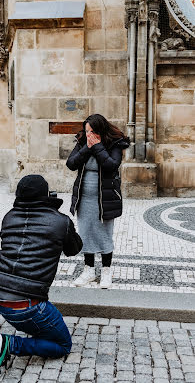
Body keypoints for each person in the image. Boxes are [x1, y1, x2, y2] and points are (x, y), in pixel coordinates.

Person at [0, 174, 82, 378]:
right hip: (23, 304)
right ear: (46, 195)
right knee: (62, 344)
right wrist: (55, 211)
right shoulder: (60, 222)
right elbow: (74, 248)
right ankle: (10, 344)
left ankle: (32, 325)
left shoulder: (9, 216)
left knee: (33, 318)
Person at [66, 114, 129, 289]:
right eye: (87, 131)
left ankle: (106, 271)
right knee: (85, 232)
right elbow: (71, 163)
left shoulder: (115, 143)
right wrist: (87, 147)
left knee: (104, 233)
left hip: (106, 197)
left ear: (101, 130)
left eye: (92, 131)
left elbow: (111, 165)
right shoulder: (83, 141)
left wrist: (98, 147)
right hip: (84, 196)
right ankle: (89, 270)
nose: (89, 134)